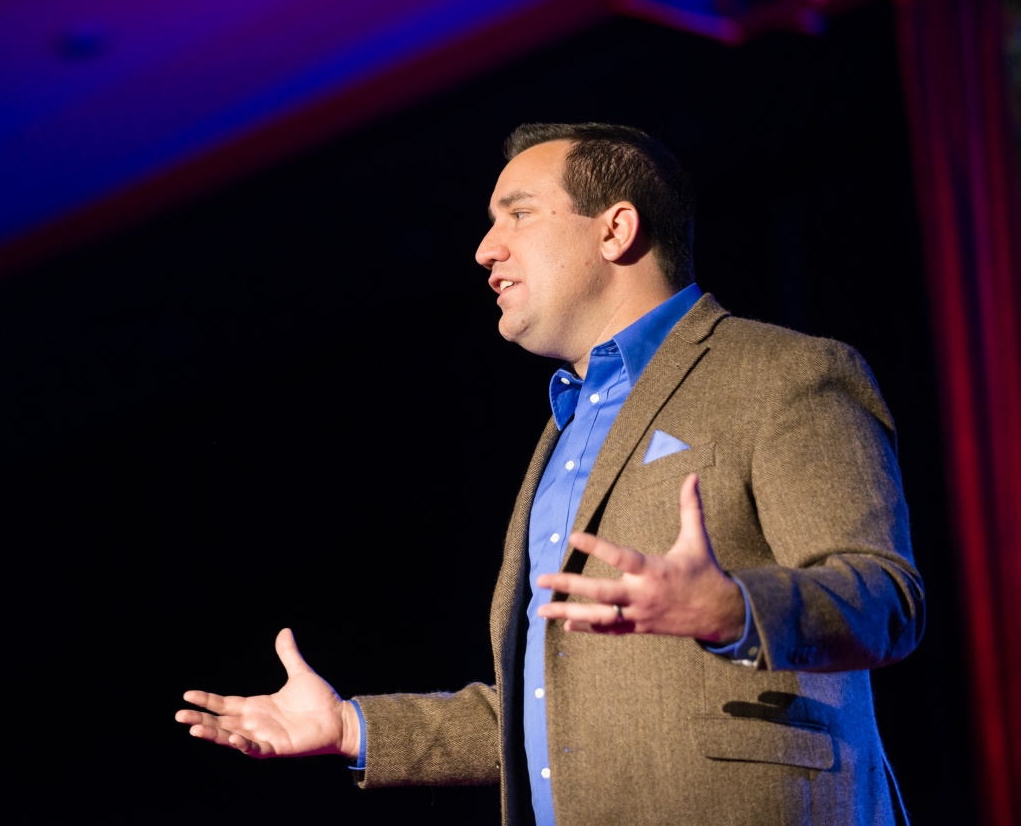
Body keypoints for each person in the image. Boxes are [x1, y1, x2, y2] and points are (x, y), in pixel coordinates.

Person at [176, 122, 925, 825]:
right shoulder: (565, 428)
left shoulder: (784, 373)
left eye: (518, 215)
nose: (484, 250)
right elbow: (550, 707)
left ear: (615, 229)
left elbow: (885, 600)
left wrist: (732, 609)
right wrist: (351, 727)